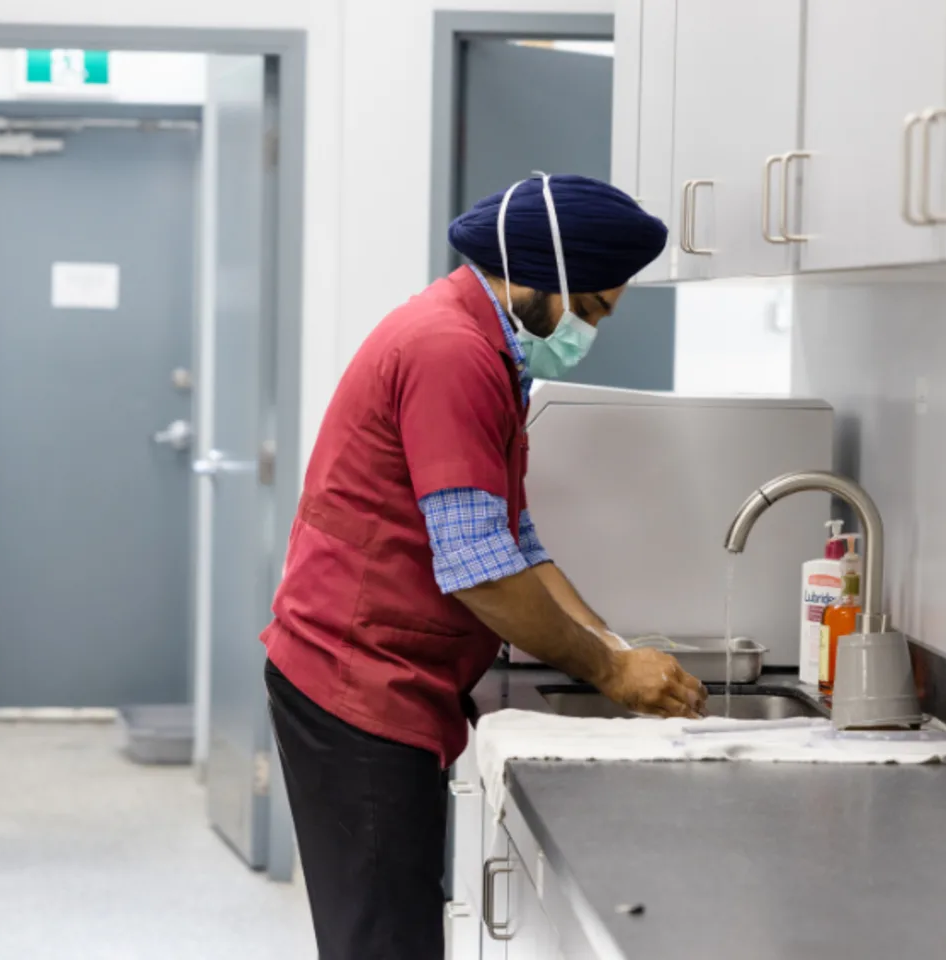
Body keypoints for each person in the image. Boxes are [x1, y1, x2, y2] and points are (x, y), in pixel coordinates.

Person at [261, 173, 707, 959]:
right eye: (592, 308)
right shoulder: (451, 353)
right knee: (383, 944)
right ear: (537, 273)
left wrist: (614, 646)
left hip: (376, 674)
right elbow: (481, 571)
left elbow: (514, 537)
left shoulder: (485, 348)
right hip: (357, 682)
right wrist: (608, 673)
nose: (591, 330)